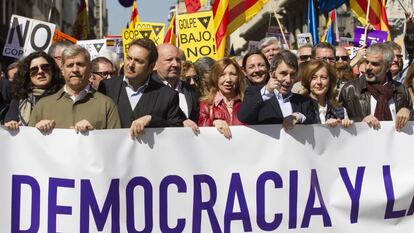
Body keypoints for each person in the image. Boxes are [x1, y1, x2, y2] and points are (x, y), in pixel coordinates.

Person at [98, 38, 184, 137]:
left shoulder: (167, 95)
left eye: (138, 61)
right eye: (129, 58)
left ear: (151, 66)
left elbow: (176, 130)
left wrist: (152, 120)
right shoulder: (107, 87)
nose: (130, 64)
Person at [29, 45, 121, 132]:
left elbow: (115, 145)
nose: (75, 70)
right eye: (70, 65)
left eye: (80, 64)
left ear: (90, 68)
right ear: (62, 70)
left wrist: (94, 135)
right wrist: (36, 133)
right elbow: (28, 145)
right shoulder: (42, 107)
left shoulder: (107, 105)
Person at [339, 43, 412, 131]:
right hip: (362, 142)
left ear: (388, 67)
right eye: (367, 62)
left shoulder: (401, 90)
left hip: (393, 143)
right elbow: (339, 123)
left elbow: (410, 128)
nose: (368, 67)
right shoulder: (349, 89)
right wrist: (360, 123)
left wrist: (408, 112)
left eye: (375, 64)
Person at [238, 50, 316, 129]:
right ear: (272, 73)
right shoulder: (257, 94)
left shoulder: (304, 101)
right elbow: (244, 116)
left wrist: (299, 117)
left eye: (292, 74)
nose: (288, 80)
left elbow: (315, 125)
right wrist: (267, 91)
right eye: (283, 73)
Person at [4, 52, 63, 130]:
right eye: (34, 69)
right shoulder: (19, 99)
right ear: (28, 74)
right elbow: (8, 125)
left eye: (45, 67)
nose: (40, 72)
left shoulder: (64, 95)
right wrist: (11, 125)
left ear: (52, 69)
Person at [153, 43, 199, 134]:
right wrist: (179, 124)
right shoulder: (147, 90)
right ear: (155, 64)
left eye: (178, 59)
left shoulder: (191, 90)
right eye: (169, 60)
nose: (175, 64)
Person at [198, 58, 246, 139]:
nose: (228, 79)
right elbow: (201, 132)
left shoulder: (247, 102)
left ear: (238, 78)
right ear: (215, 78)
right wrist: (213, 123)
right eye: (222, 75)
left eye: (232, 74)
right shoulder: (206, 105)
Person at [301, 59, 353, 127]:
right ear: (307, 81)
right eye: (314, 78)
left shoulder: (340, 110)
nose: (319, 82)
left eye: (323, 78)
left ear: (330, 81)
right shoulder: (300, 107)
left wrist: (344, 125)